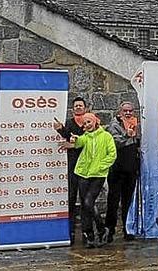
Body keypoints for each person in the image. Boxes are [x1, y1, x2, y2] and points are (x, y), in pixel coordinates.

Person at [71, 112, 117, 248]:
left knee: (88, 202)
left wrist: (100, 166)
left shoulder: (106, 136)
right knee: (86, 206)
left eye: (89, 122)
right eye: (84, 123)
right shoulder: (86, 136)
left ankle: (101, 228)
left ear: (95, 122)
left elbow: (112, 154)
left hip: (98, 175)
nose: (87, 125)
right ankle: (89, 234)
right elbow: (79, 142)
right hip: (83, 174)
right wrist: (75, 140)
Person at [53, 96, 89, 244]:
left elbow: (89, 141)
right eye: (76, 106)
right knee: (71, 199)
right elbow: (68, 137)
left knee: (86, 201)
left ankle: (87, 232)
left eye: (81, 105)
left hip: (87, 166)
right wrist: (61, 129)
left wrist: (73, 145)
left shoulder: (90, 123)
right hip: (73, 166)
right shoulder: (69, 123)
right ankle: (71, 232)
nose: (78, 108)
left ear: (86, 108)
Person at [105, 101, 140, 243]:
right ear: (120, 112)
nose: (127, 113)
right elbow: (115, 142)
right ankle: (109, 230)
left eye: (130, 111)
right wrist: (127, 135)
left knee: (128, 201)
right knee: (113, 201)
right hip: (116, 169)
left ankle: (127, 229)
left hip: (130, 169)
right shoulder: (114, 125)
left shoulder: (137, 125)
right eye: (125, 110)